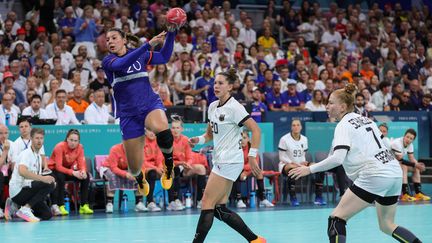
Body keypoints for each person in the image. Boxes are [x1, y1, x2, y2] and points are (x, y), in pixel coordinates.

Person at [289, 84, 422, 243]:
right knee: (387, 225)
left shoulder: (343, 125)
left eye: (331, 103)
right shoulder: (366, 120)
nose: (327, 106)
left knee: (336, 219)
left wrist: (309, 170)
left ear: (343, 107)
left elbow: (338, 159)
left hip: (374, 174)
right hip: (393, 172)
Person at [101, 23, 180, 195]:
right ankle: (139, 178)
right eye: (107, 40)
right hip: (128, 114)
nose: (110, 42)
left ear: (124, 40)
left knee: (164, 133)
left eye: (114, 38)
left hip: (149, 104)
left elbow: (164, 56)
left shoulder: (140, 55)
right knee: (135, 167)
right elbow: (121, 65)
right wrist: (147, 45)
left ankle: (168, 165)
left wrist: (172, 34)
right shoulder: (108, 61)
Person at [190, 68, 266, 243]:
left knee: (206, 203)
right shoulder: (212, 106)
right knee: (219, 209)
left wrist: (252, 156)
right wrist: (198, 140)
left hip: (230, 160)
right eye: (215, 83)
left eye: (220, 83)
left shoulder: (235, 108)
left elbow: (256, 130)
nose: (216, 86)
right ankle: (255, 240)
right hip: (221, 160)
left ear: (230, 87)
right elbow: (209, 135)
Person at [6, 128, 55, 222]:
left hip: (28, 189)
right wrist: (43, 179)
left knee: (47, 215)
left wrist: (45, 180)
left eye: (41, 138)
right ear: (31, 139)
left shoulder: (38, 156)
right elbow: (22, 171)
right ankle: (25, 208)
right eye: (37, 138)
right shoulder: (26, 154)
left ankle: (15, 206)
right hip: (18, 191)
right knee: (49, 183)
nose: (39, 140)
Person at [278, 119, 327, 206]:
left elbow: (302, 154)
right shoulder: (284, 139)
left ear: (301, 127)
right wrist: (293, 163)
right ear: (291, 127)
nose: (296, 127)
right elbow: (282, 157)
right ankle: (293, 198)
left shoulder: (304, 139)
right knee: (293, 169)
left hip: (300, 164)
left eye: (298, 125)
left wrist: (303, 162)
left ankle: (318, 197)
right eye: (293, 125)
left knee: (319, 167)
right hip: (286, 164)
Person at [49, 129, 93, 215]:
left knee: (86, 176)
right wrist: (73, 172)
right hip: (54, 170)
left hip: (67, 170)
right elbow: (58, 167)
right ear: (67, 139)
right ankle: (60, 205)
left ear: (78, 141)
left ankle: (83, 205)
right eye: (71, 140)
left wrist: (83, 171)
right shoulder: (59, 147)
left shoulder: (80, 147)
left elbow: (81, 162)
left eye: (75, 141)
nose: (73, 143)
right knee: (60, 177)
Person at [170, 117, 207, 210]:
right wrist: (180, 163)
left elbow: (189, 157)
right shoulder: (168, 140)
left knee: (201, 169)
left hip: (184, 167)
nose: (175, 130)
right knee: (176, 169)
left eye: (177, 128)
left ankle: (200, 200)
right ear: (171, 129)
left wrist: (188, 164)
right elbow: (166, 159)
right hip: (172, 167)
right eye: (173, 128)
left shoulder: (185, 139)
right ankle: (175, 200)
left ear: (181, 129)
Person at [101, 143, 148, 213]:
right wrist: (126, 174)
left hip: (125, 169)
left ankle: (139, 203)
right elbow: (113, 168)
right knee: (113, 176)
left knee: (139, 175)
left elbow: (141, 164)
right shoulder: (115, 149)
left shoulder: (137, 150)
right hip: (109, 167)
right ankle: (109, 203)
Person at [233, 130, 274, 208]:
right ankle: (239, 199)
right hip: (238, 170)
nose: (242, 140)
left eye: (244, 138)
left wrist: (246, 172)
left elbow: (255, 162)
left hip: (249, 170)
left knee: (259, 173)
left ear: (248, 139)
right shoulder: (236, 149)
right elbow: (237, 163)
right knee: (238, 173)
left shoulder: (253, 148)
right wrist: (244, 170)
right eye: (240, 138)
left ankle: (263, 198)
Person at [391, 129, 429, 202]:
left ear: (413, 140)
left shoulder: (410, 145)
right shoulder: (397, 143)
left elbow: (411, 158)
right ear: (404, 136)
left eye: (411, 138)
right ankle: (405, 194)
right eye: (407, 137)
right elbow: (401, 160)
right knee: (404, 166)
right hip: (389, 165)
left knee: (416, 168)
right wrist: (416, 164)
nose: (408, 139)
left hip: (397, 165)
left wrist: (418, 165)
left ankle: (418, 193)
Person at [143, 129, 164, 212]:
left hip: (155, 168)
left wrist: (160, 167)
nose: (152, 133)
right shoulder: (141, 142)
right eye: (149, 130)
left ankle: (173, 201)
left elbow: (159, 159)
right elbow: (142, 161)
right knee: (152, 173)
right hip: (144, 168)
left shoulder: (158, 142)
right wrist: (156, 168)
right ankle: (150, 202)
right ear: (145, 131)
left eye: (153, 131)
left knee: (170, 172)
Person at [0, 124, 14, 218]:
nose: (4, 136)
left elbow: (14, 162)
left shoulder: (12, 144)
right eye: (1, 133)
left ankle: (15, 206)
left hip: (8, 170)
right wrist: (5, 151)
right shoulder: (7, 146)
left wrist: (14, 174)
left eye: (6, 133)